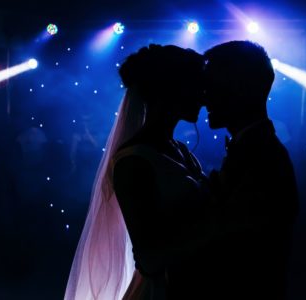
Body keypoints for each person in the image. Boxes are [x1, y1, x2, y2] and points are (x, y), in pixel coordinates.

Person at [65, 44, 214, 300]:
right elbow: (149, 256)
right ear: (169, 90)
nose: (203, 96)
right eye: (195, 85)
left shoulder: (178, 148)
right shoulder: (134, 161)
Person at [199, 40, 300, 299]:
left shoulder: (263, 156)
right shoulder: (255, 147)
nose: (204, 96)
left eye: (212, 86)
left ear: (240, 89)